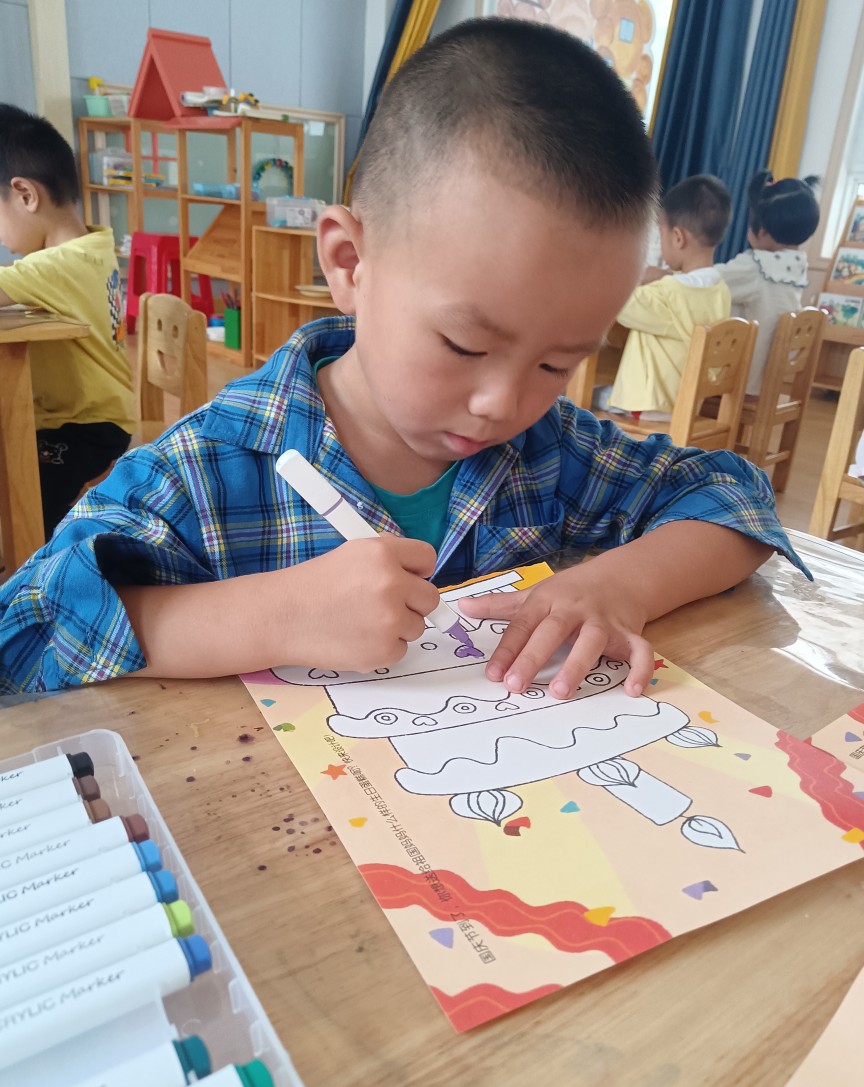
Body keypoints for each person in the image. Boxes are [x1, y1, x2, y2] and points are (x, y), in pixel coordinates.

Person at [0, 20, 805, 700]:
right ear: (349, 263)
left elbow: (734, 497)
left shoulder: (548, 451)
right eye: (465, 345)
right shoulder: (208, 471)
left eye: (556, 364)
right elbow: (25, 631)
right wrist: (273, 616)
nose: (502, 403)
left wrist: (618, 585)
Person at [0, 103, 134, 537]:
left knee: (27, 510)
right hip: (90, 418)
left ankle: (40, 567)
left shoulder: (60, 265)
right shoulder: (89, 246)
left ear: (25, 195)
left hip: (84, 428)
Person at [607, 174, 732, 418]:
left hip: (650, 407)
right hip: (686, 405)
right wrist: (666, 275)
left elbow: (616, 299)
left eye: (660, 234)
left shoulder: (668, 295)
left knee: (586, 401)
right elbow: (687, 292)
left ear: (678, 237)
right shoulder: (721, 290)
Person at [715, 169, 820, 396]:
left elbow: (705, 282)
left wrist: (668, 273)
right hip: (767, 385)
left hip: (738, 385)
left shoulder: (756, 266)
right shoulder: (796, 268)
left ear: (761, 230)